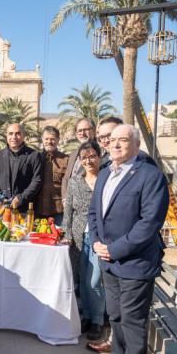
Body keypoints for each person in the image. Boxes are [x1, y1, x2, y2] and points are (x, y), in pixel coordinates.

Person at [86, 125, 169, 354]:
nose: (116, 145)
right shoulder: (105, 172)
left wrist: (115, 249)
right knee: (117, 316)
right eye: (113, 141)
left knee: (133, 321)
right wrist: (97, 242)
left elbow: (149, 223)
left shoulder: (150, 175)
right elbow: (93, 212)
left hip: (134, 263)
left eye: (123, 140)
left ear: (136, 145)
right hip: (108, 260)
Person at [64, 140, 106, 341]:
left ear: (99, 157)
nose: (88, 161)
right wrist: (67, 234)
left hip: (101, 237)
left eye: (92, 156)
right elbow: (68, 212)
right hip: (79, 236)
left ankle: (98, 319)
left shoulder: (106, 179)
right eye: (84, 158)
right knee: (81, 279)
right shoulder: (75, 182)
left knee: (95, 280)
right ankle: (87, 317)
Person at [0, 123, 42, 211]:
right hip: (2, 208)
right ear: (6, 135)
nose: (14, 137)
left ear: (23, 135)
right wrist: (0, 197)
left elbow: (37, 181)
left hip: (25, 208)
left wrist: (21, 198)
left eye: (18, 133)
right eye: (10, 133)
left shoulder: (34, 155)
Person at [34, 126, 68, 225]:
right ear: (42, 140)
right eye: (46, 139)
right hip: (37, 211)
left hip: (58, 213)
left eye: (53, 139)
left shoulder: (66, 160)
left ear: (58, 140)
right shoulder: (35, 158)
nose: (49, 141)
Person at [62, 118, 96, 202]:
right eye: (79, 131)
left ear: (94, 131)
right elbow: (66, 178)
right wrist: (65, 198)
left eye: (85, 130)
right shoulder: (73, 154)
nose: (82, 133)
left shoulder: (100, 153)